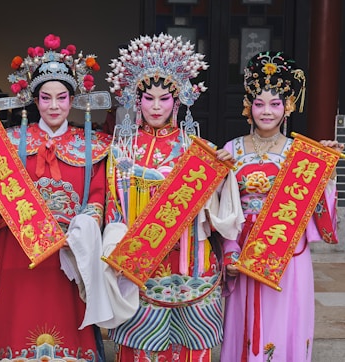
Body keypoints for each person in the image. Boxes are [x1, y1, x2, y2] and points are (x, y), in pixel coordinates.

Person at [0, 34, 113, 361]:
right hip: (18, 248)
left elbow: (98, 193)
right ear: (34, 98)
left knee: (69, 317)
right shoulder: (6, 142)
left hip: (71, 251)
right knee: (20, 313)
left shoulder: (96, 145)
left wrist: (84, 229)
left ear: (73, 99)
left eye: (61, 97)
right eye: (45, 97)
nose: (54, 106)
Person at [103, 33, 243, 361]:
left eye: (163, 98)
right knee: (141, 350)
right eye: (148, 98)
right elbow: (113, 209)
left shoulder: (199, 150)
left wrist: (223, 178)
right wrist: (115, 249)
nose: (155, 106)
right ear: (136, 101)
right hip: (140, 266)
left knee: (191, 351)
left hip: (193, 268)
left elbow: (220, 215)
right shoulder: (121, 149)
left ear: (177, 101)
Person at [220, 51, 344, 361]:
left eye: (275, 104)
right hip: (245, 246)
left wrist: (324, 171)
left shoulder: (300, 153)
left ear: (287, 107)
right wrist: (229, 250)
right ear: (249, 107)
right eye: (259, 104)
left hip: (285, 249)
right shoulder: (231, 149)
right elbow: (221, 210)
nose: (266, 111)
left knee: (284, 320)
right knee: (245, 322)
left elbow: (320, 211)